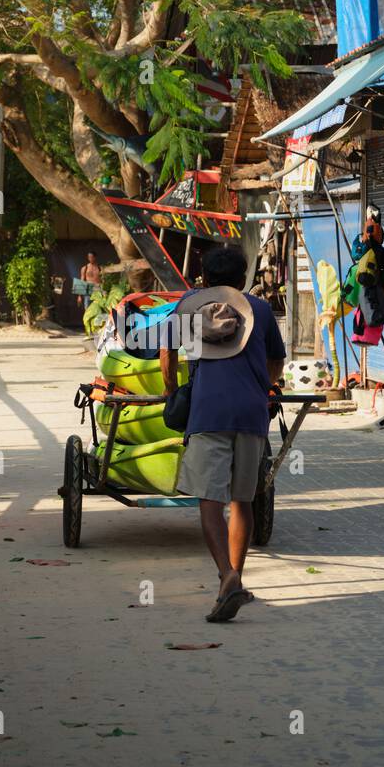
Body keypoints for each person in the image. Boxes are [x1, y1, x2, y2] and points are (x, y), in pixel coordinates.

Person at [161, 247, 286, 622]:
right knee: (242, 501)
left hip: (207, 413)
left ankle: (226, 575)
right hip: (251, 414)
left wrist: (172, 390)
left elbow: (167, 351)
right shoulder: (260, 310)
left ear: (204, 277)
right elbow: (276, 363)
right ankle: (233, 582)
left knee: (210, 501)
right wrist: (261, 384)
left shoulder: (188, 306)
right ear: (243, 277)